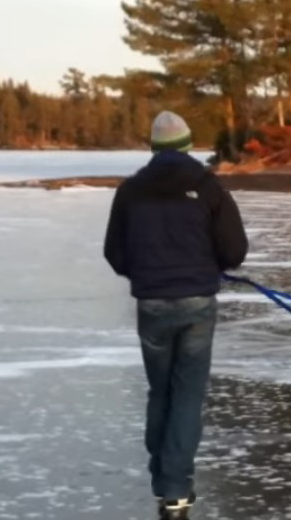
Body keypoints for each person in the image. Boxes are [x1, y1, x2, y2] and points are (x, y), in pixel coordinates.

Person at [104, 111, 248, 520]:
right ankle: (175, 490)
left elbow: (115, 253)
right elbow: (234, 251)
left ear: (153, 148)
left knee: (161, 391)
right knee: (186, 394)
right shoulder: (208, 187)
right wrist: (205, 267)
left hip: (152, 304)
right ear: (187, 146)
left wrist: (148, 275)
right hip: (197, 303)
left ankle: (164, 481)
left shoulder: (131, 191)